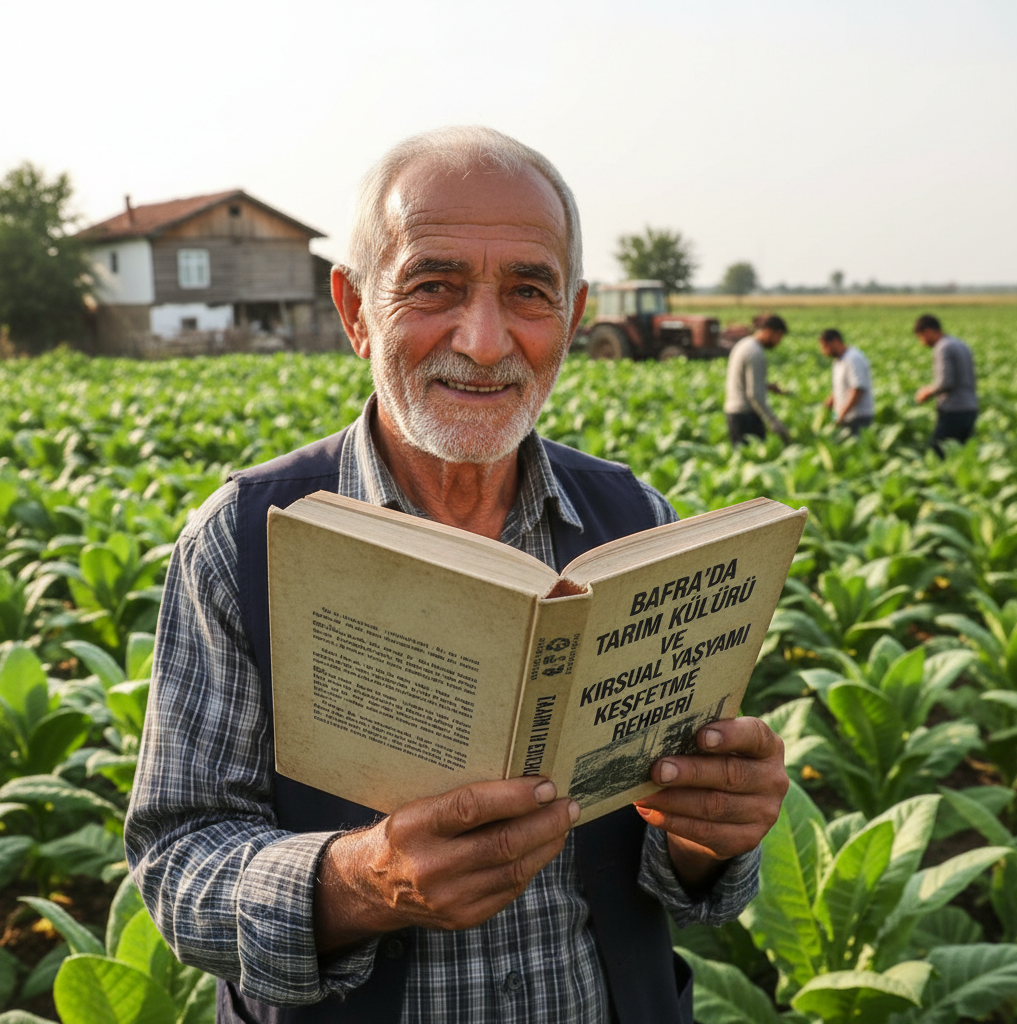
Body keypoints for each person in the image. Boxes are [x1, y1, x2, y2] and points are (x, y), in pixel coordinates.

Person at [125, 127, 788, 1024]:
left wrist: (714, 832)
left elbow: (687, 881)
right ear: (356, 311)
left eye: (528, 292)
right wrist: (361, 882)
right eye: (433, 286)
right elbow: (176, 862)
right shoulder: (242, 539)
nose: (482, 342)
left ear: (573, 319)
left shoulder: (640, 524)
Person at [912, 313, 978, 456]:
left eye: (921, 337)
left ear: (928, 331)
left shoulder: (943, 348)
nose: (922, 342)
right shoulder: (961, 344)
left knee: (937, 453)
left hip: (954, 410)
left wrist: (926, 392)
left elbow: (945, 382)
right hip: (970, 408)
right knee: (961, 455)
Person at [723, 314, 791, 446]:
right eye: (779, 337)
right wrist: (773, 422)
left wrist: (766, 386)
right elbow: (754, 394)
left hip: (734, 412)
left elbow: (743, 380)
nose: (778, 342)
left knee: (741, 455)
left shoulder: (744, 344)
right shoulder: (755, 353)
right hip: (746, 415)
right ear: (769, 331)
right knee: (753, 455)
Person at [818, 328, 874, 434]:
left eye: (825, 346)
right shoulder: (838, 361)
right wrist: (830, 401)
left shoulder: (853, 359)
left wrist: (842, 414)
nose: (823, 351)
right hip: (846, 418)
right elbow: (841, 388)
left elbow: (858, 390)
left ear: (835, 342)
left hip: (858, 418)